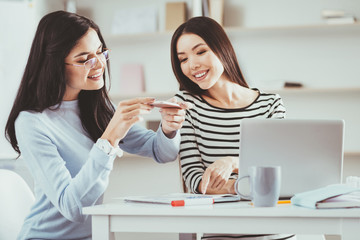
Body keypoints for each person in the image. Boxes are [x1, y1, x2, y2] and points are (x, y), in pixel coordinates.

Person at [5, 11, 190, 240]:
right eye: (84, 59)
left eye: (101, 52)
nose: (99, 63)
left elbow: (162, 152)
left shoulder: (96, 108)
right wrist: (110, 138)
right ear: (54, 64)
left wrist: (169, 127)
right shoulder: (32, 122)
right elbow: (72, 207)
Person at [171, 17, 296, 240]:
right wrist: (240, 187)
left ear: (222, 48)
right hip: (221, 232)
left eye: (200, 52)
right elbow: (195, 180)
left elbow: (280, 168)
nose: (192, 65)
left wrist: (233, 162)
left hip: (277, 231)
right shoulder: (187, 105)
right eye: (183, 59)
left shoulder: (270, 104)